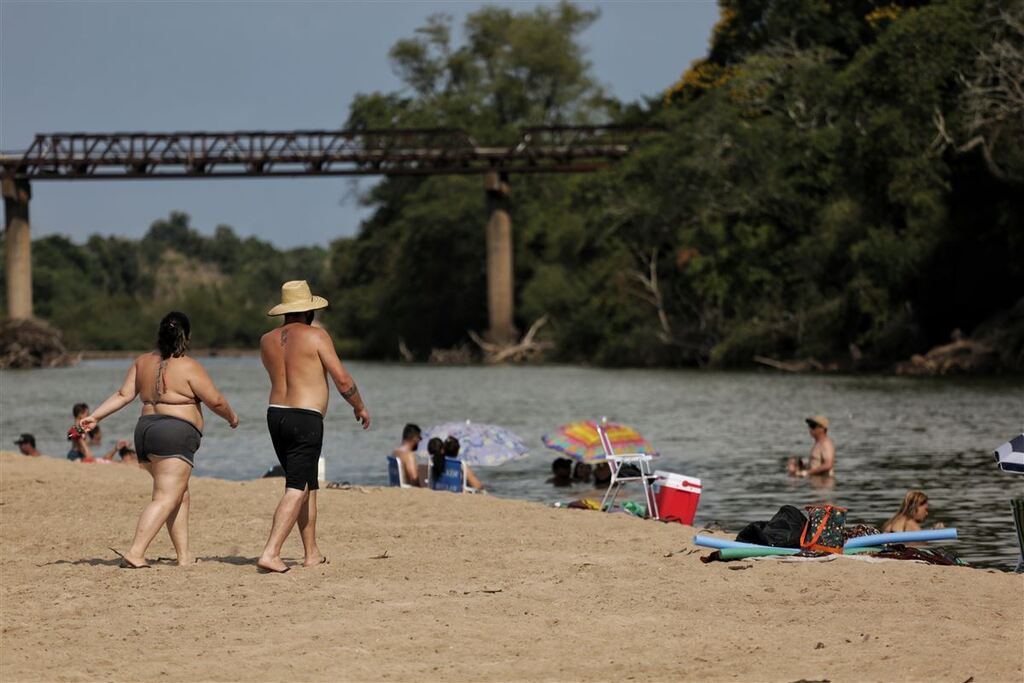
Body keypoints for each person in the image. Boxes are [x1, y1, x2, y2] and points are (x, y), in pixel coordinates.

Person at [79, 311, 239, 568]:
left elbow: (123, 394)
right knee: (166, 497)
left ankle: (184, 556)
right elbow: (216, 400)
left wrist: (95, 417)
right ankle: (135, 552)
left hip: (145, 431)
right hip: (173, 435)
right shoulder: (189, 366)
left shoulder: (142, 362)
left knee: (179, 493)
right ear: (186, 336)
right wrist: (232, 417)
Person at [257, 280, 370, 574]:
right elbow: (342, 379)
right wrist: (358, 406)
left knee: (307, 484)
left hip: (275, 415)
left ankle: (311, 553)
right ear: (308, 310)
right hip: (304, 418)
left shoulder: (266, 340)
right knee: (297, 487)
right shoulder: (317, 336)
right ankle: (271, 552)